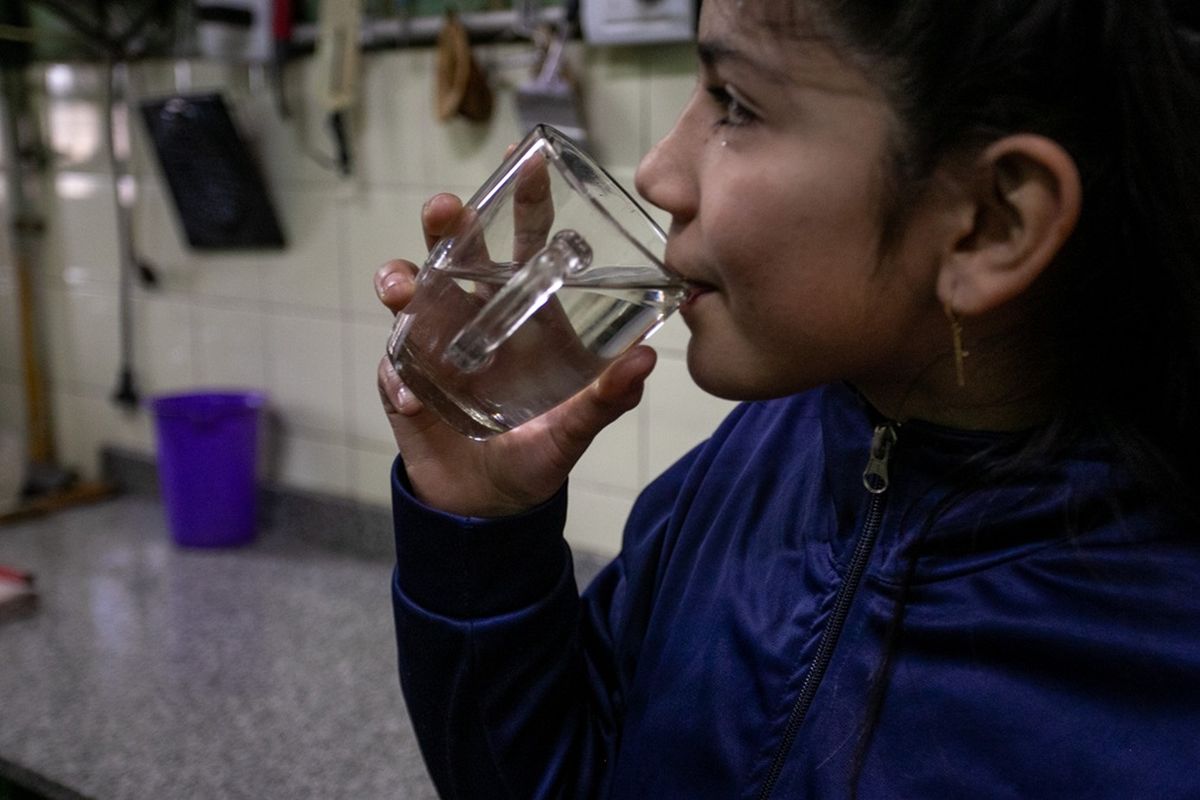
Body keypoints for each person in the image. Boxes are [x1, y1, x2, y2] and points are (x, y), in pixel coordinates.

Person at [375, 1, 1200, 797]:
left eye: (734, 104)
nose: (658, 173)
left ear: (990, 224)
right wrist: (480, 534)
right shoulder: (746, 466)